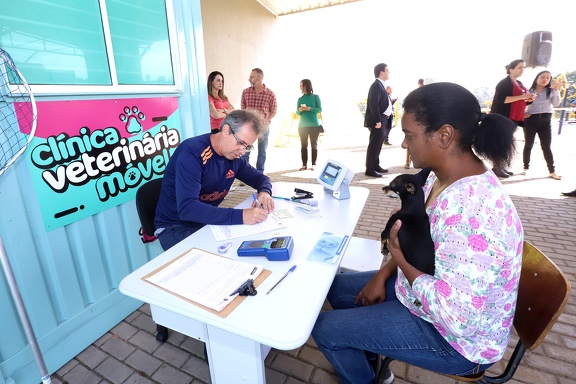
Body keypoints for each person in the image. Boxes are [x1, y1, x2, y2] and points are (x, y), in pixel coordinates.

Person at [312, 82, 524, 384]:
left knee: (324, 329)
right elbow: (421, 246)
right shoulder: (437, 180)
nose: (403, 144)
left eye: (409, 135)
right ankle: (373, 366)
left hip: (457, 341)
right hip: (425, 296)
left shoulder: (472, 213)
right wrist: (384, 273)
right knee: (331, 289)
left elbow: (458, 319)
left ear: (444, 135)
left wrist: (399, 259)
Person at [154, 109, 275, 251]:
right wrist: (242, 215)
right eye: (241, 143)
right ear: (225, 130)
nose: (243, 151)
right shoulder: (192, 153)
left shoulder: (234, 156)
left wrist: (264, 192)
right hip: (176, 226)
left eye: (247, 147)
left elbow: (260, 178)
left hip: (206, 221)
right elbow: (188, 209)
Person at [490, 59, 536, 178]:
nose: (522, 70)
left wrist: (528, 100)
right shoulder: (504, 83)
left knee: (506, 143)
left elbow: (520, 101)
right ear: (511, 69)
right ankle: (496, 166)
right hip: (504, 117)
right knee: (501, 142)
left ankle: (501, 166)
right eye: (519, 67)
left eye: (523, 67)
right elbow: (502, 100)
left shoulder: (519, 83)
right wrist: (522, 97)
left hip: (514, 118)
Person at [522, 71, 563, 180]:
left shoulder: (551, 90)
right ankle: (525, 167)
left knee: (546, 146)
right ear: (537, 78)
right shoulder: (528, 91)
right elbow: (520, 103)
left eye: (548, 78)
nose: (545, 79)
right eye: (542, 77)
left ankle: (552, 171)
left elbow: (556, 103)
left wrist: (556, 90)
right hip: (531, 120)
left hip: (545, 121)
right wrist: (523, 113)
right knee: (528, 144)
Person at [240, 68, 277, 173]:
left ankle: (259, 173)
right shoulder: (246, 92)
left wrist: (266, 120)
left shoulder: (270, 94)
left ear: (259, 77)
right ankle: (245, 173)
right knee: (245, 151)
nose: (249, 79)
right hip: (248, 127)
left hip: (263, 128)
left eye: (252, 77)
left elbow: (273, 110)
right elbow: (243, 108)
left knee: (262, 152)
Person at [364, 63, 392, 177]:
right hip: (378, 120)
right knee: (374, 144)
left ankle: (375, 165)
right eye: (387, 70)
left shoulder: (381, 85)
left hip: (382, 119)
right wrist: (377, 120)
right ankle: (369, 168)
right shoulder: (376, 85)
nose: (389, 72)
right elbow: (373, 104)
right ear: (381, 72)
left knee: (378, 143)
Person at [296, 79, 322, 171]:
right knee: (303, 146)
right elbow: (297, 113)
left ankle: (314, 164)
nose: (300, 87)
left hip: (314, 125)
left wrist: (309, 108)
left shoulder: (316, 97)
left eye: (301, 85)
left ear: (307, 86)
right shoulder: (300, 99)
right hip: (302, 126)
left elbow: (319, 110)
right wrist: (300, 110)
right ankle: (304, 164)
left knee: (313, 145)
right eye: (300, 86)